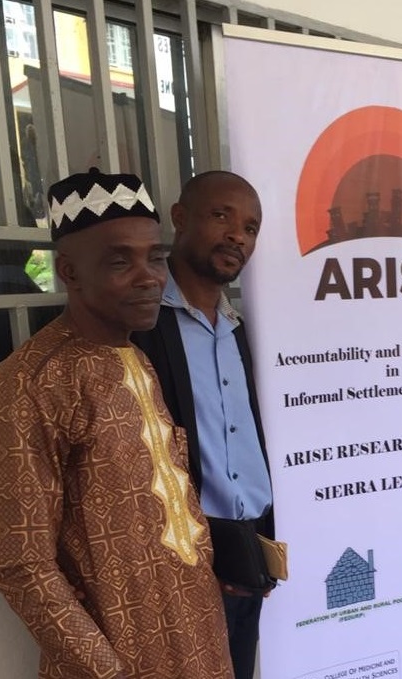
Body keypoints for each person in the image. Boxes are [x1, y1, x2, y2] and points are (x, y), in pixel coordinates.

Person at [0, 168, 234, 679]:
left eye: (156, 258)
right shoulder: (32, 380)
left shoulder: (136, 359)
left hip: (199, 639)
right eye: (121, 261)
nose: (149, 277)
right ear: (70, 272)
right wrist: (105, 670)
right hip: (117, 661)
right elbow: (21, 565)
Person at [132, 171, 273, 679]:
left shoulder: (239, 331)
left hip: (247, 558)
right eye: (222, 217)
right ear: (179, 218)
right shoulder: (141, 323)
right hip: (183, 566)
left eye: (251, 228)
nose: (238, 235)